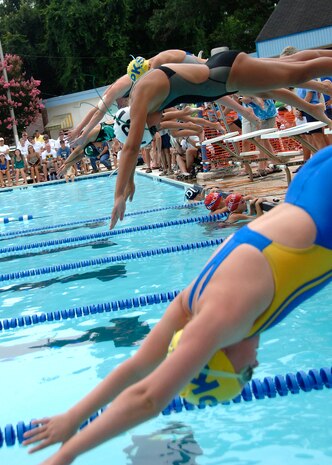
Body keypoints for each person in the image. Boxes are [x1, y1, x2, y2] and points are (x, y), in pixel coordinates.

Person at [23, 145, 332, 465]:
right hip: (311, 185)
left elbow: (148, 397)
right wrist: (73, 417)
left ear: (220, 358)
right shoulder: (191, 306)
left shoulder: (224, 318)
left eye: (248, 371)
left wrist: (64, 455)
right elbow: (138, 365)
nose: (256, 360)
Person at [110, 48, 332, 229]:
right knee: (292, 67)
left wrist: (118, 195)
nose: (158, 125)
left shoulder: (141, 95)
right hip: (226, 73)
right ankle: (314, 105)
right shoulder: (152, 100)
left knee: (300, 71)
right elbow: (132, 144)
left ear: (137, 121)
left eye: (152, 128)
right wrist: (129, 180)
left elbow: (130, 148)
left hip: (227, 73)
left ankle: (317, 94)